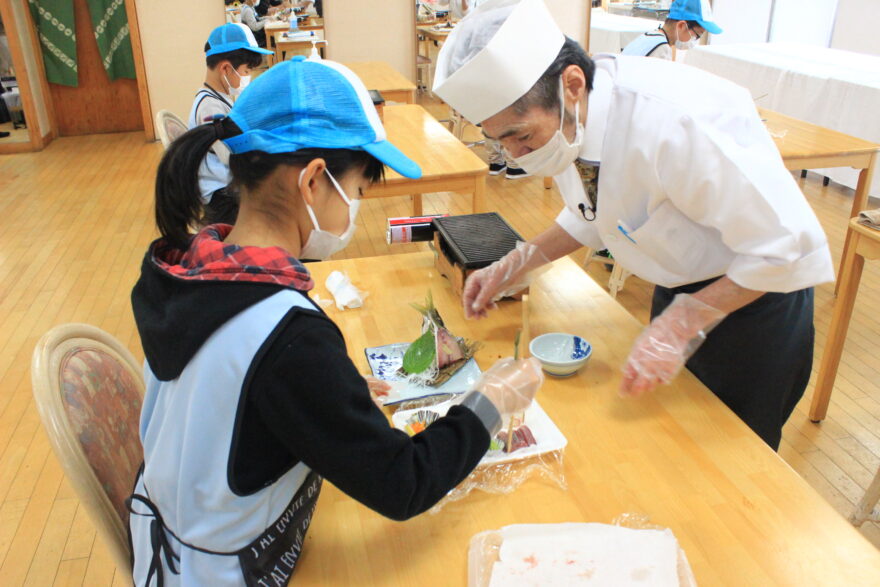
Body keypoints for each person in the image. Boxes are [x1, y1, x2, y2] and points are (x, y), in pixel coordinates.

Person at [128, 55, 544, 585]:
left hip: (170, 537)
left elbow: (238, 394)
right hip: (229, 569)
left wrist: (328, 398)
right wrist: (489, 403)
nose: (358, 208)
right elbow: (402, 484)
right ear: (314, 181)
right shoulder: (287, 336)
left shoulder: (188, 266)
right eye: (360, 191)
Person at [433, 0, 834, 450]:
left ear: (571, 84)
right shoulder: (576, 117)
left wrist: (687, 320)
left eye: (522, 136)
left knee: (736, 458)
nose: (517, 157)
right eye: (500, 141)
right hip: (681, 291)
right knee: (671, 443)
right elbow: (599, 212)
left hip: (754, 307)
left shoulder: (677, 122)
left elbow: (787, 247)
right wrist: (514, 263)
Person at [189, 23, 272, 225]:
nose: (248, 77)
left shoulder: (216, 97)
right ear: (226, 68)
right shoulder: (210, 109)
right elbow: (235, 159)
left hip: (227, 191)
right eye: (246, 71)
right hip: (223, 202)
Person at [621, 0, 721, 59]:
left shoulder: (647, 37)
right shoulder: (661, 49)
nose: (695, 40)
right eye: (697, 35)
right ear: (681, 26)